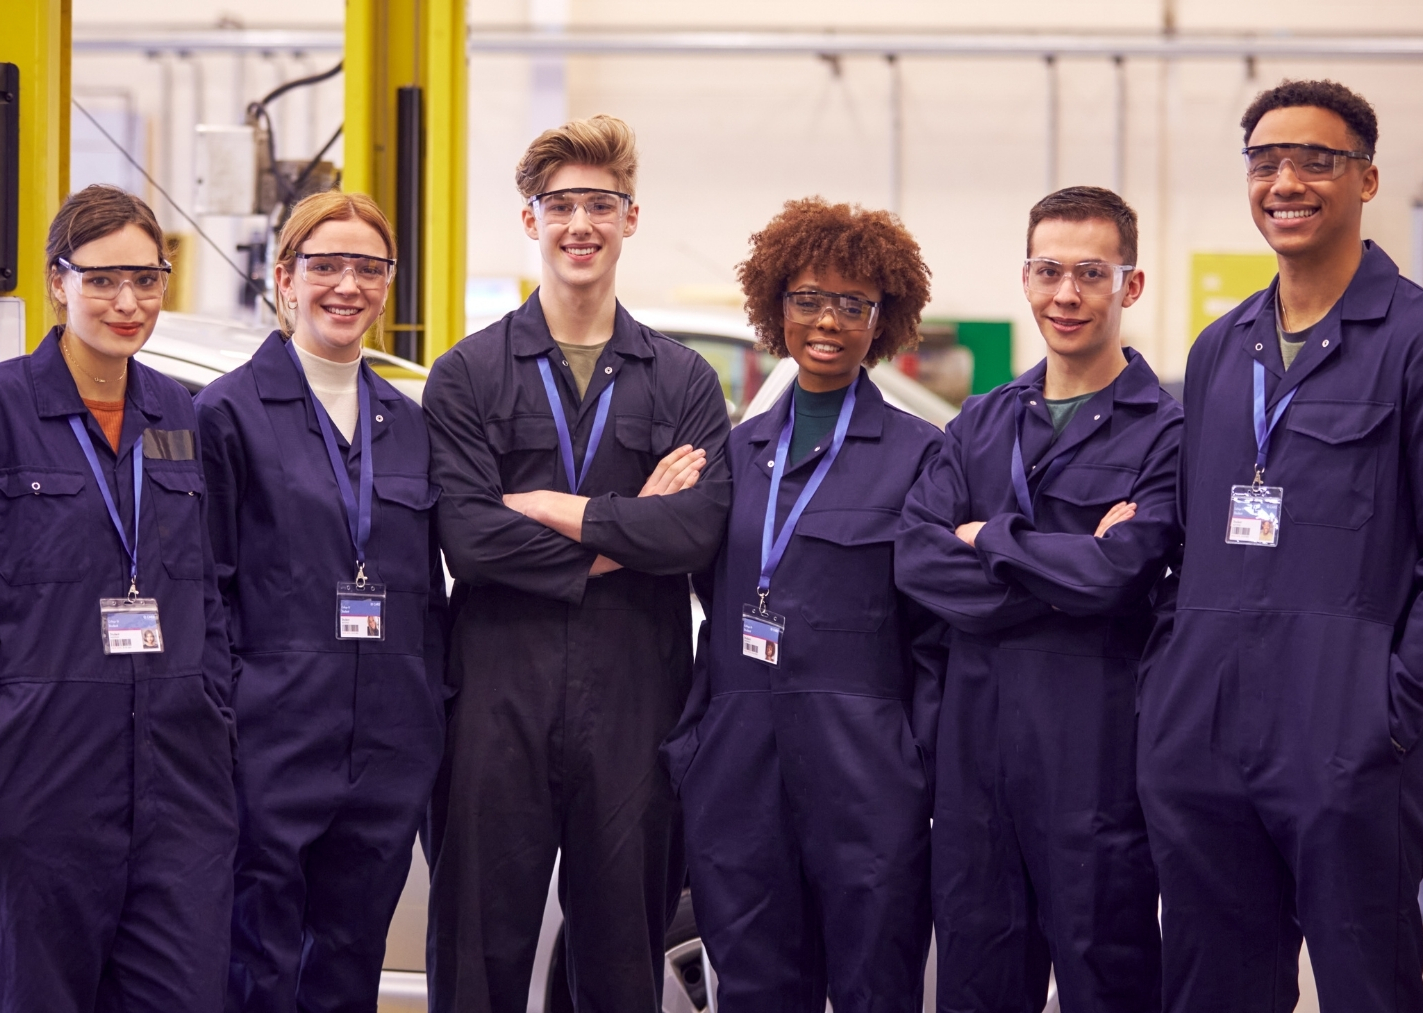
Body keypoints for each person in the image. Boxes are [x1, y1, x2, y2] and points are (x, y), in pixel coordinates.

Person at [1137, 80, 1423, 1011]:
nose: (1286, 181)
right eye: (1265, 162)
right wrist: (1171, 689)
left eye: (1316, 160)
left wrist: (1387, 715)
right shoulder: (1220, 349)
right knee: (1210, 983)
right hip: (1207, 734)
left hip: (1347, 742)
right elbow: (1192, 536)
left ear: (1367, 179)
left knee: (1366, 987)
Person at [422, 115, 731, 1012]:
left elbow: (696, 533)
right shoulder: (468, 374)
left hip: (635, 694)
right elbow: (470, 539)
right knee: (477, 950)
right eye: (561, 205)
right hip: (494, 695)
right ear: (530, 220)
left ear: (631, 218)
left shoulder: (683, 380)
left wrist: (561, 510)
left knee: (620, 958)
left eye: (602, 204)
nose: (581, 225)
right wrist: (629, 530)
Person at [0, 184, 236, 1012]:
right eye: (102, 279)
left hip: (175, 792)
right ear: (59, 282)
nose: (127, 302)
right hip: (38, 789)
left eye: (147, 280)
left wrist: (213, 715)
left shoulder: (182, 416)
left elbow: (212, 591)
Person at [896, 186, 1178, 1013]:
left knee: (1108, 976)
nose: (1067, 294)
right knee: (977, 982)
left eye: (1091, 273)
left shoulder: (1163, 433)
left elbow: (1117, 575)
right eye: (1049, 271)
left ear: (1130, 286)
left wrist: (986, 537)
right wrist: (1069, 567)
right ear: (1025, 278)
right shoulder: (981, 421)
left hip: (1094, 758)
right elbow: (917, 557)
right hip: (975, 761)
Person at [661, 198, 946, 1012]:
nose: (827, 320)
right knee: (751, 986)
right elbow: (697, 589)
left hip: (866, 776)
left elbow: (935, 637)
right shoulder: (734, 453)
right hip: (741, 768)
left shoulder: (923, 457)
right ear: (774, 305)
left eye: (853, 304)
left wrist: (911, 764)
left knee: (873, 984)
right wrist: (701, 746)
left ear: (882, 319)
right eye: (808, 298)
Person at [196, 191, 447, 1012]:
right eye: (326, 265)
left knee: (350, 964)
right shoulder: (226, 414)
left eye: (368, 267)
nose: (348, 285)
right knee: (255, 966)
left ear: (388, 284)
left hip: (385, 748)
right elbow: (206, 589)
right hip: (269, 743)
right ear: (285, 278)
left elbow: (429, 587)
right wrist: (229, 724)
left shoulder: (409, 425)